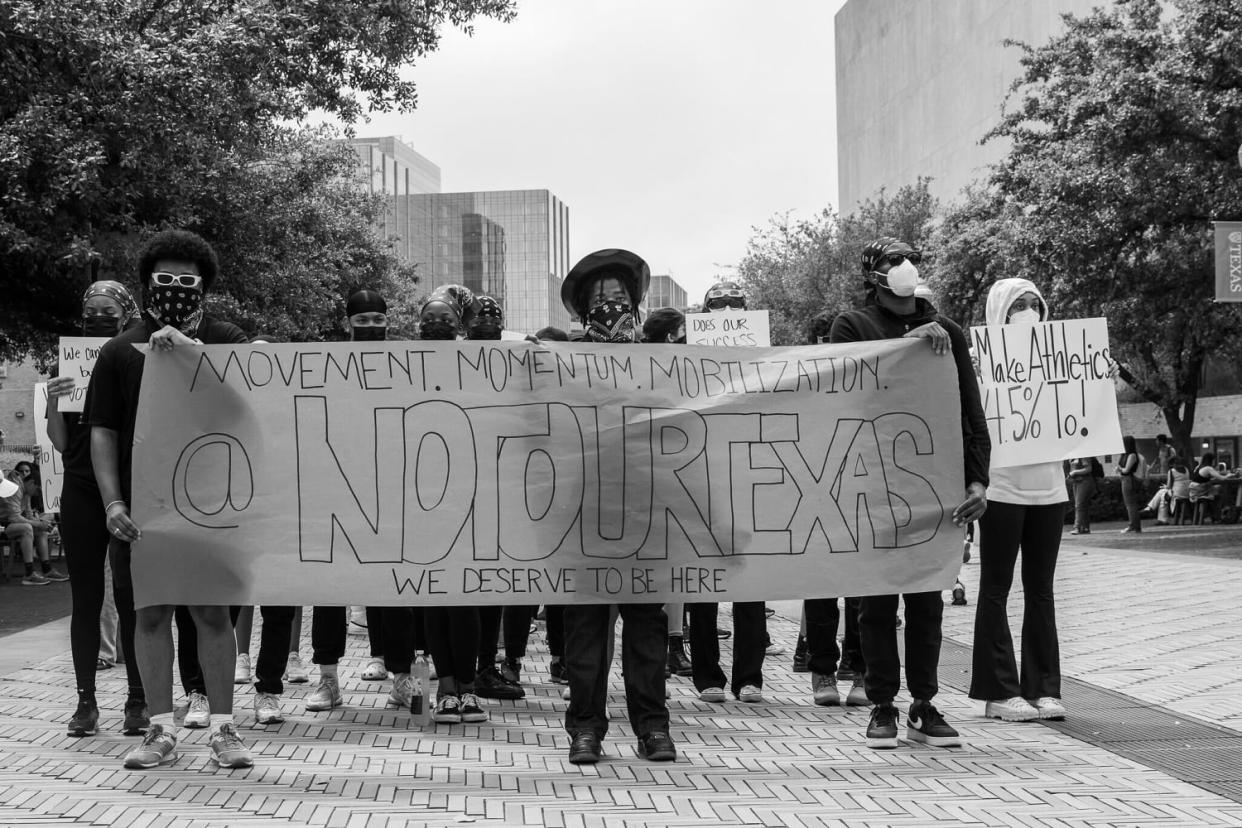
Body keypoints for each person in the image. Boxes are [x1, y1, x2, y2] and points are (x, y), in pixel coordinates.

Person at [89, 229, 253, 769]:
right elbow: (104, 432)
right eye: (166, 279)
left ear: (204, 284)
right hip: (142, 512)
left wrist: (194, 354)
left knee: (212, 614)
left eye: (190, 280)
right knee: (151, 616)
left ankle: (225, 731)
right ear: (148, 283)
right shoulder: (119, 351)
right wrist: (114, 503)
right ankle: (159, 730)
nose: (178, 288)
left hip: (211, 507)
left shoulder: (227, 339)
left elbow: (259, 397)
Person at [830, 237, 989, 750]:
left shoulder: (950, 332)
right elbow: (842, 386)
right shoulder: (853, 326)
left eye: (908, 258)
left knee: (927, 602)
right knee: (875, 604)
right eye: (892, 260)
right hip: (873, 485)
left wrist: (978, 478)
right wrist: (906, 346)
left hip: (936, 489)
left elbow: (969, 408)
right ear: (873, 274)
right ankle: (882, 705)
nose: (904, 267)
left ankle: (923, 702)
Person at [560, 249, 674, 764]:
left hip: (646, 516)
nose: (611, 306)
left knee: (647, 634)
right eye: (601, 299)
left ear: (636, 302)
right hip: (583, 517)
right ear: (584, 310)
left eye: (620, 297)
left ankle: (653, 727)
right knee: (586, 637)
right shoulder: (562, 363)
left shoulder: (664, 364)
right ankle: (586, 728)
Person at [306, 291, 418, 716]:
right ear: (347, 322)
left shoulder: (406, 367)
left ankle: (403, 679)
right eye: (363, 319)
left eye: (378, 318)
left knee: (395, 590)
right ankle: (328, 680)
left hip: (389, 496)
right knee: (329, 589)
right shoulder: (327, 368)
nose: (371, 326)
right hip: (337, 492)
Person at [45, 280, 145, 737]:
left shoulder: (134, 357)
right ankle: (86, 701)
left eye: (108, 310)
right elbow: (63, 445)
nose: (98, 317)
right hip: (80, 489)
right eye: (92, 311)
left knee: (130, 599)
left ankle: (137, 699)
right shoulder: (68, 366)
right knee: (85, 599)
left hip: (128, 489)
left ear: (126, 314)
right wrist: (50, 402)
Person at [970, 278, 1068, 723]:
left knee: (1042, 592)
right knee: (995, 588)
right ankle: (998, 691)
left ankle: (1044, 688)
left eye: (1034, 304)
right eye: (1017, 305)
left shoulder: (1061, 363)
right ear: (999, 313)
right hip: (1002, 488)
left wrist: (1098, 382)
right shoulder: (979, 366)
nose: (1028, 311)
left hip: (1050, 489)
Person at [417, 285, 489, 725]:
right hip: (421, 497)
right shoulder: (399, 362)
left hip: (470, 494)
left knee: (465, 601)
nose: (437, 327)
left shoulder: (479, 364)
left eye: (446, 321)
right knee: (434, 601)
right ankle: (445, 688)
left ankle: (468, 686)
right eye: (430, 320)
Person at [1, 464, 67, 586]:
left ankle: (47, 569)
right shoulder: (15, 489)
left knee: (39, 529)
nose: (38, 494)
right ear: (31, 482)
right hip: (3, 525)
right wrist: (36, 523)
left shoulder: (26, 491)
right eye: (38, 490)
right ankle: (29, 573)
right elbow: (14, 517)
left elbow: (29, 514)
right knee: (27, 528)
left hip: (10, 523)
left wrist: (40, 524)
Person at [1065, 457, 1099, 535]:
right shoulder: (1072, 456)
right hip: (1076, 482)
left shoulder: (1084, 455)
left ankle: (1077, 527)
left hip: (1084, 482)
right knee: (1082, 505)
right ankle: (1085, 528)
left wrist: (1075, 472)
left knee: (1079, 505)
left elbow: (1088, 469)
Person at [1116, 436, 1142, 533]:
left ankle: (1133, 525)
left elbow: (1126, 470)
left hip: (1128, 479)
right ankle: (1134, 526)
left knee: (1131, 504)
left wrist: (1119, 469)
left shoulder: (1132, 455)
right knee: (1130, 504)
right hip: (1124, 479)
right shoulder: (1125, 454)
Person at [1167, 460, 1191, 525]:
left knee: (1162, 494)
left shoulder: (1171, 471)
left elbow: (1169, 485)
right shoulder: (1186, 469)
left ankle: (1164, 519)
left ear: (1173, 464)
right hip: (1187, 493)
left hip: (1178, 494)